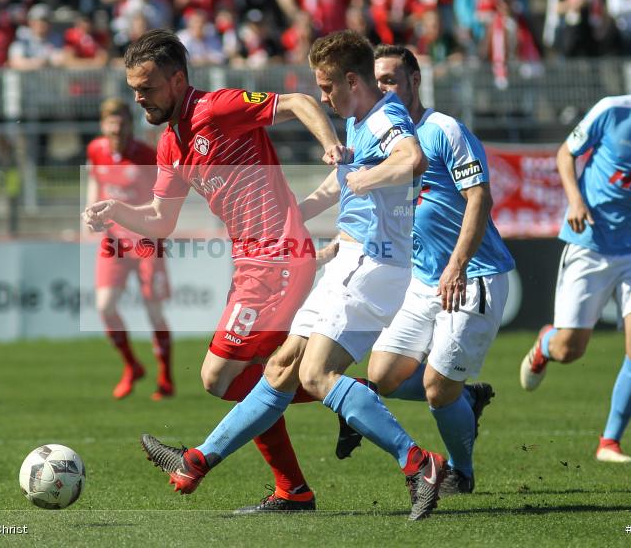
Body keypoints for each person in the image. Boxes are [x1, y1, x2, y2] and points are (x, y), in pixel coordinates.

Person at [138, 31, 447, 521]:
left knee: (314, 375)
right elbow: (338, 182)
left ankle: (418, 462)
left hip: (373, 263)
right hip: (348, 260)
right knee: (282, 369)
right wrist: (294, 217)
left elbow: (411, 160)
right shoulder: (359, 121)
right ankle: (199, 461)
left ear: (350, 79)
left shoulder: (385, 115)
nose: (323, 97)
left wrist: (362, 179)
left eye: (327, 87)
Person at [82, 29, 344, 511]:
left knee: (218, 376)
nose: (138, 97)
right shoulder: (170, 145)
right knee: (259, 375)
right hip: (251, 264)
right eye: (134, 88)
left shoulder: (217, 108)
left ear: (178, 80)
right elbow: (160, 221)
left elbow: (301, 102)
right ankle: (321, 446)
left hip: (279, 257)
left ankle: (213, 462)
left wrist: (331, 145)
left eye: (147, 87)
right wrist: (116, 209)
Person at [335, 45, 515, 496]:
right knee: (382, 376)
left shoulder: (443, 130)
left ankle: (461, 469)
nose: (384, 90)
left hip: (472, 274)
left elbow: (479, 198)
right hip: (422, 279)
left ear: (415, 81)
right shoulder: (377, 136)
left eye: (392, 80)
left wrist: (456, 265)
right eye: (377, 83)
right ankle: (467, 397)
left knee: (436, 389)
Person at [519, 39, 631, 463]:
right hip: (591, 242)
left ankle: (609, 442)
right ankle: (546, 344)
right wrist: (575, 200)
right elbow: (567, 153)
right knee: (570, 349)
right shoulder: (611, 110)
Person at [86, 98, 173, 400]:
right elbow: (95, 181)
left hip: (146, 241)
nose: (116, 131)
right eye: (111, 125)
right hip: (113, 242)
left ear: (129, 125)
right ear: (103, 126)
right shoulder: (96, 150)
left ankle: (165, 377)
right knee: (104, 306)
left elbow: (161, 200)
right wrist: (90, 212)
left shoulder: (146, 156)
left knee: (153, 309)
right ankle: (132, 366)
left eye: (122, 125)